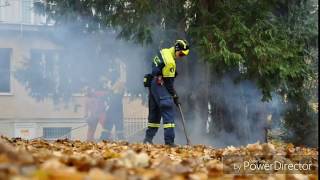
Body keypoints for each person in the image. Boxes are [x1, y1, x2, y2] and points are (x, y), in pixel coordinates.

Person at [143, 39, 190, 147]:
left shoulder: (164, 51)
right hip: (161, 84)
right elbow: (169, 83)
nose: (182, 56)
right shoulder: (170, 62)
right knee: (167, 108)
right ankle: (169, 142)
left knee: (155, 114)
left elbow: (155, 67)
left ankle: (147, 139)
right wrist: (174, 96)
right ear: (177, 49)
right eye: (181, 54)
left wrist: (158, 74)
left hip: (153, 85)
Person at [100, 59, 126, 140]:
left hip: (116, 110)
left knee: (118, 131)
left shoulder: (119, 84)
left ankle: (121, 145)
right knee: (107, 130)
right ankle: (102, 144)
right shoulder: (111, 86)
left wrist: (121, 66)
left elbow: (122, 79)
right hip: (113, 109)